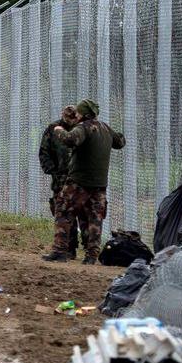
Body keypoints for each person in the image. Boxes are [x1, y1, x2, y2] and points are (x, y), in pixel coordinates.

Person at [43, 98, 124, 265]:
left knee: (63, 210)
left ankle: (59, 251)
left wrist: (59, 130)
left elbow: (71, 140)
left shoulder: (84, 127)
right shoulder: (104, 128)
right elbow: (120, 142)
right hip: (99, 184)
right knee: (95, 218)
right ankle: (92, 255)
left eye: (79, 112)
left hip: (79, 181)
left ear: (84, 114)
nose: (76, 114)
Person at [39, 105, 81, 258]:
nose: (70, 121)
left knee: (81, 213)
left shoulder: (81, 129)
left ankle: (84, 249)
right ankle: (67, 248)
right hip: (61, 178)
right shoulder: (53, 129)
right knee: (62, 213)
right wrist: (53, 171)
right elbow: (44, 152)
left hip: (79, 179)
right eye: (67, 117)